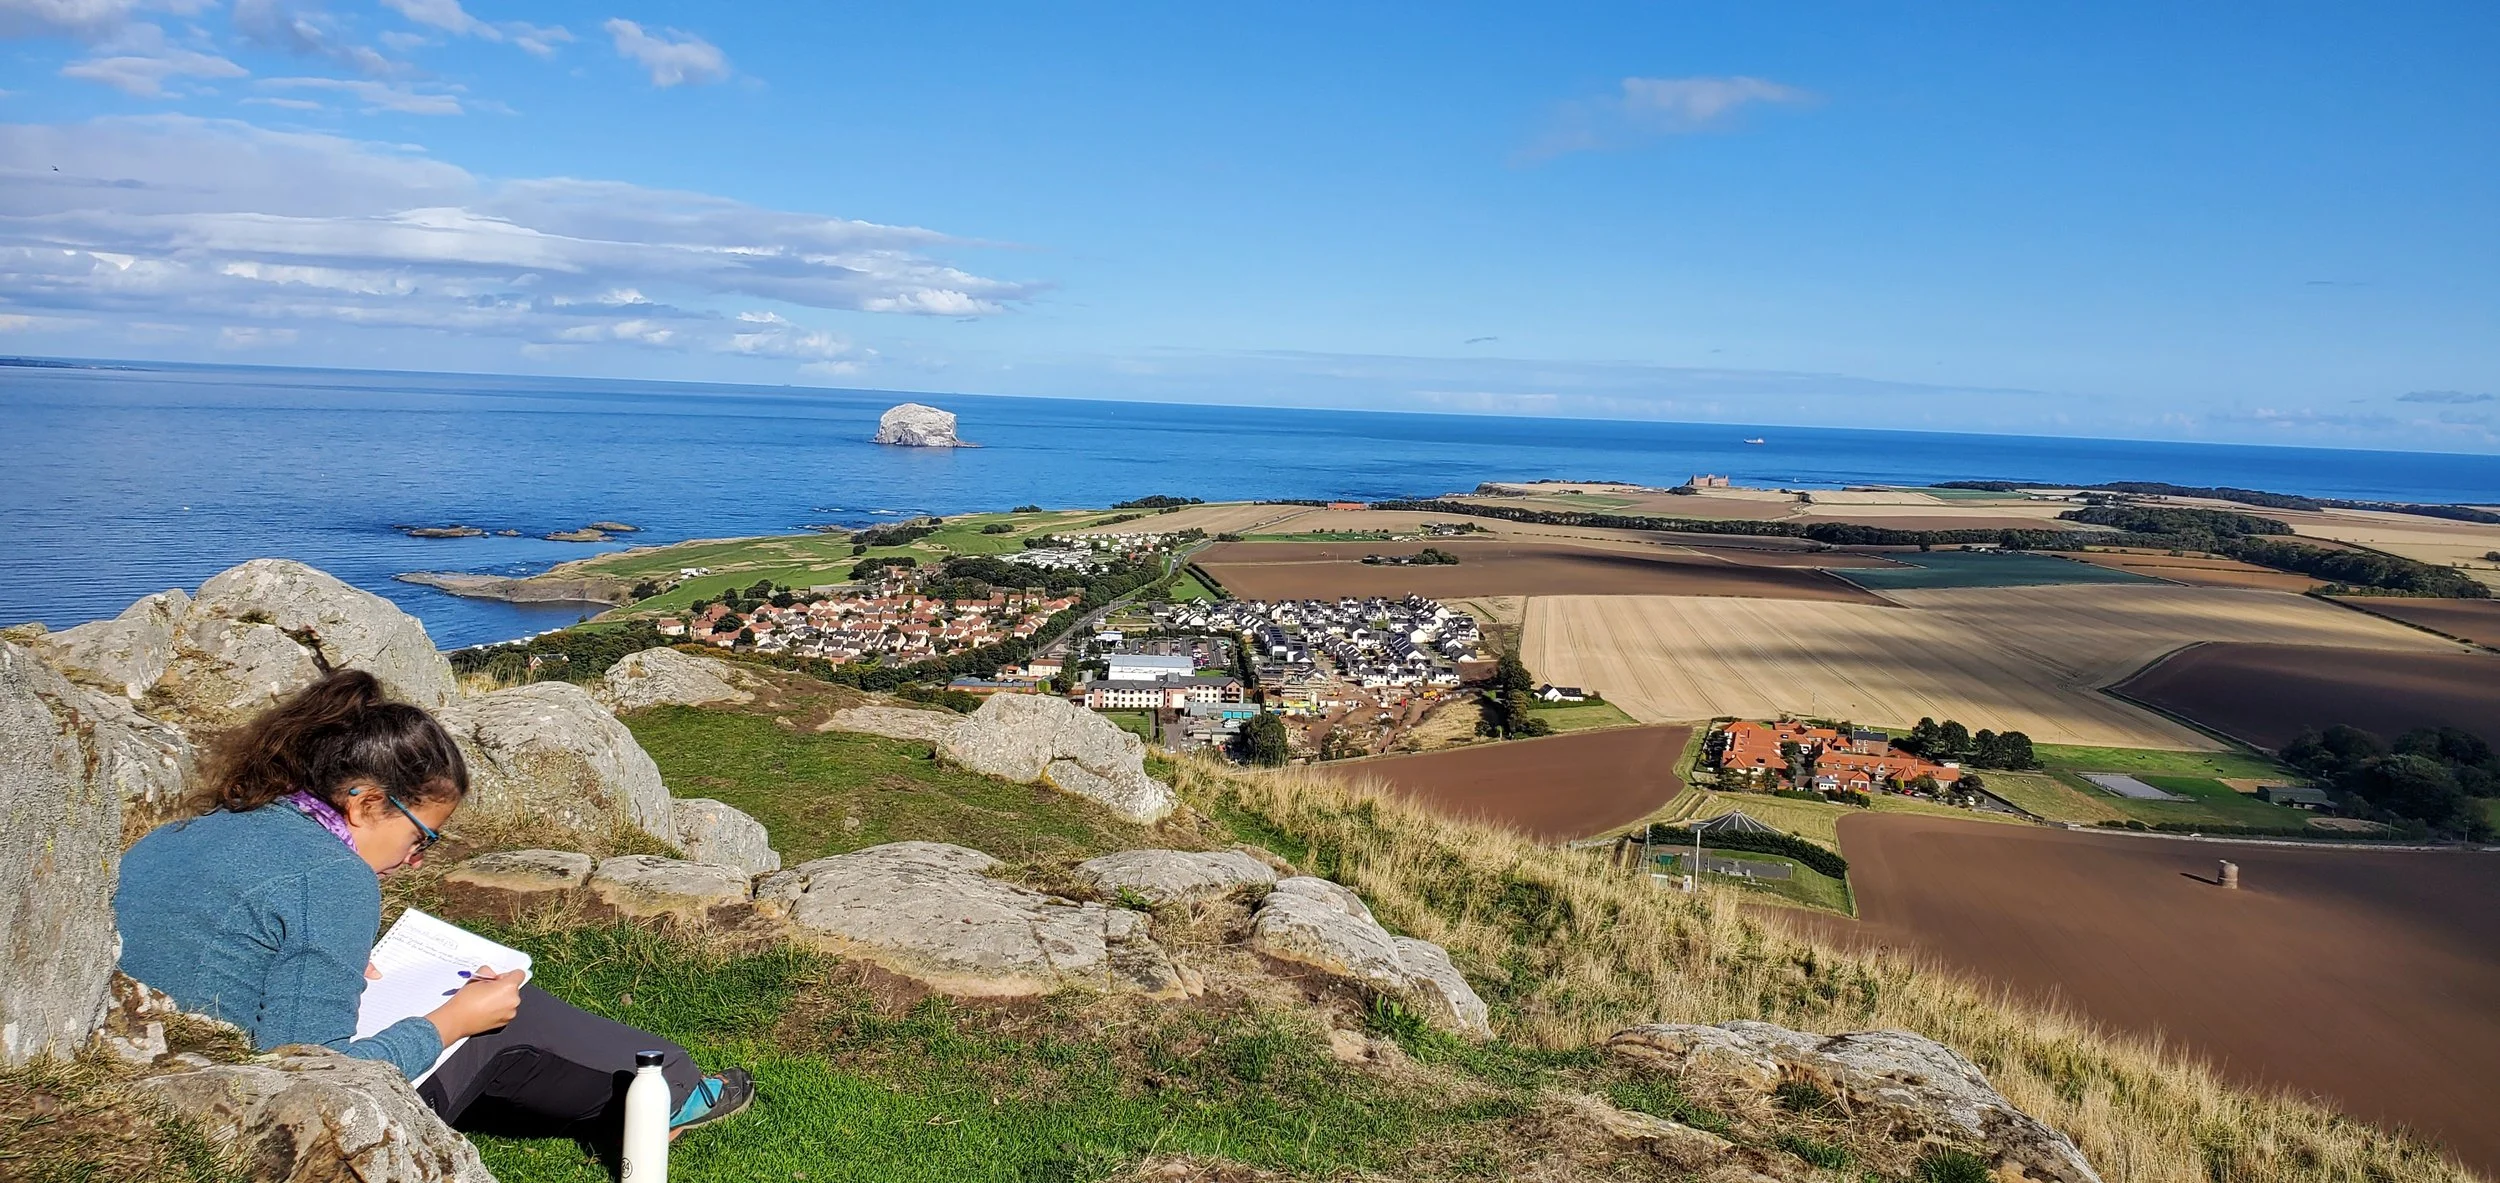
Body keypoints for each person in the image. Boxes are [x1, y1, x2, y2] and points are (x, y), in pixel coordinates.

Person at [114, 668, 755, 1148]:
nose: (416, 859)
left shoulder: (185, 832)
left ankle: (640, 1098)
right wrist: (450, 1023)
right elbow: (312, 1075)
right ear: (366, 804)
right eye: (423, 836)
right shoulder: (332, 877)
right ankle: (668, 1093)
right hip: (232, 1112)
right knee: (506, 1013)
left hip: (146, 1064)